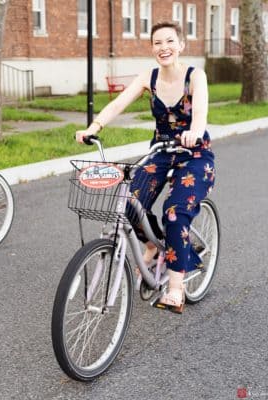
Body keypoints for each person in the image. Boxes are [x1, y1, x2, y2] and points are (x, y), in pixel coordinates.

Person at [76, 22, 215, 313]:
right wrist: (94, 126)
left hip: (194, 154)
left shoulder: (195, 76)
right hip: (160, 152)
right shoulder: (148, 78)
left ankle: (176, 287)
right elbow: (117, 104)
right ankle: (153, 245)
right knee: (128, 202)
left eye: (169, 41)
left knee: (175, 215)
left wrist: (195, 131)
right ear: (152, 48)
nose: (163, 47)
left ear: (181, 45)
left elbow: (200, 112)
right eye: (157, 43)